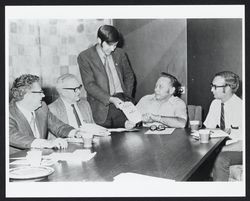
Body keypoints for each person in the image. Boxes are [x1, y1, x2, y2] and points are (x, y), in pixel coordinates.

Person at [9, 74, 87, 154]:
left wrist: (76, 133)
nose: (43, 95)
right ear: (28, 95)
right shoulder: (8, 113)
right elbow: (10, 135)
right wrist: (46, 143)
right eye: (40, 92)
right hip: (16, 161)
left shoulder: (42, 108)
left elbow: (58, 126)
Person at [77, 25, 135, 128]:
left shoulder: (120, 54)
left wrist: (127, 97)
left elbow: (129, 76)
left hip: (122, 104)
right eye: (110, 45)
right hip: (101, 108)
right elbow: (89, 85)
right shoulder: (85, 57)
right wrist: (110, 99)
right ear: (99, 40)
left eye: (115, 45)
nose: (113, 49)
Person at [204, 71, 242, 181]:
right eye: (212, 86)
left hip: (239, 149)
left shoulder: (241, 107)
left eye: (215, 87)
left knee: (220, 159)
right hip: (219, 145)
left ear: (228, 87)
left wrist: (217, 151)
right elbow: (208, 129)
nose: (211, 90)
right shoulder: (215, 103)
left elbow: (242, 144)